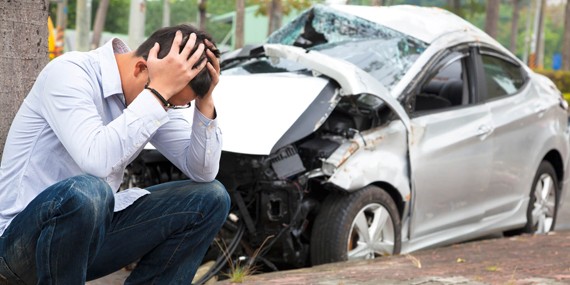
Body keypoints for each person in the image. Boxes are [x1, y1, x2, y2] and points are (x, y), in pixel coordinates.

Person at [0, 24, 230, 284]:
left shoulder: (152, 92)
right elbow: (96, 161)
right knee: (89, 191)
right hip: (20, 245)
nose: (165, 107)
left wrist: (205, 100)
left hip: (88, 241)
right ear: (142, 69)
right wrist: (158, 95)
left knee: (211, 197)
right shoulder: (70, 73)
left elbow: (203, 171)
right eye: (167, 100)